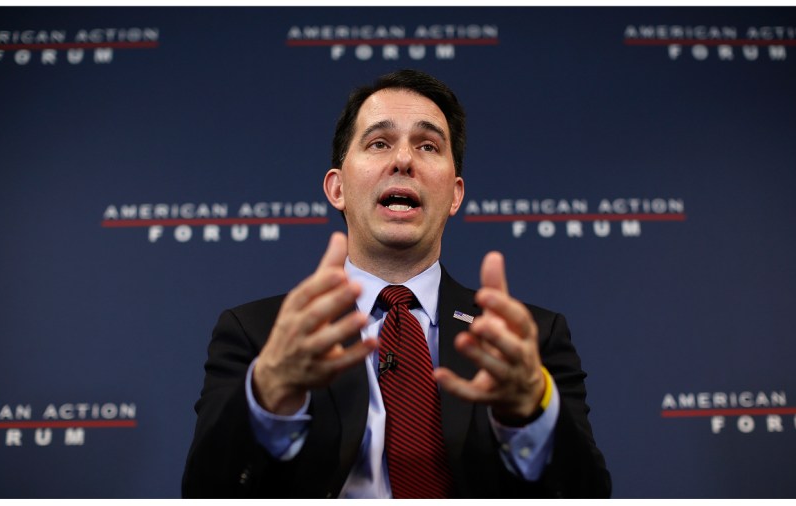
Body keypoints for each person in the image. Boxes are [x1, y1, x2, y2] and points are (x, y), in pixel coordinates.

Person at [181, 69, 610, 498]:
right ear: (337, 188)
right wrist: (269, 393)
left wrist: (531, 411)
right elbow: (204, 492)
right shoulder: (258, 334)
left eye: (428, 146)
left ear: (455, 194)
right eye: (379, 143)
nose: (403, 159)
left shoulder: (525, 340)